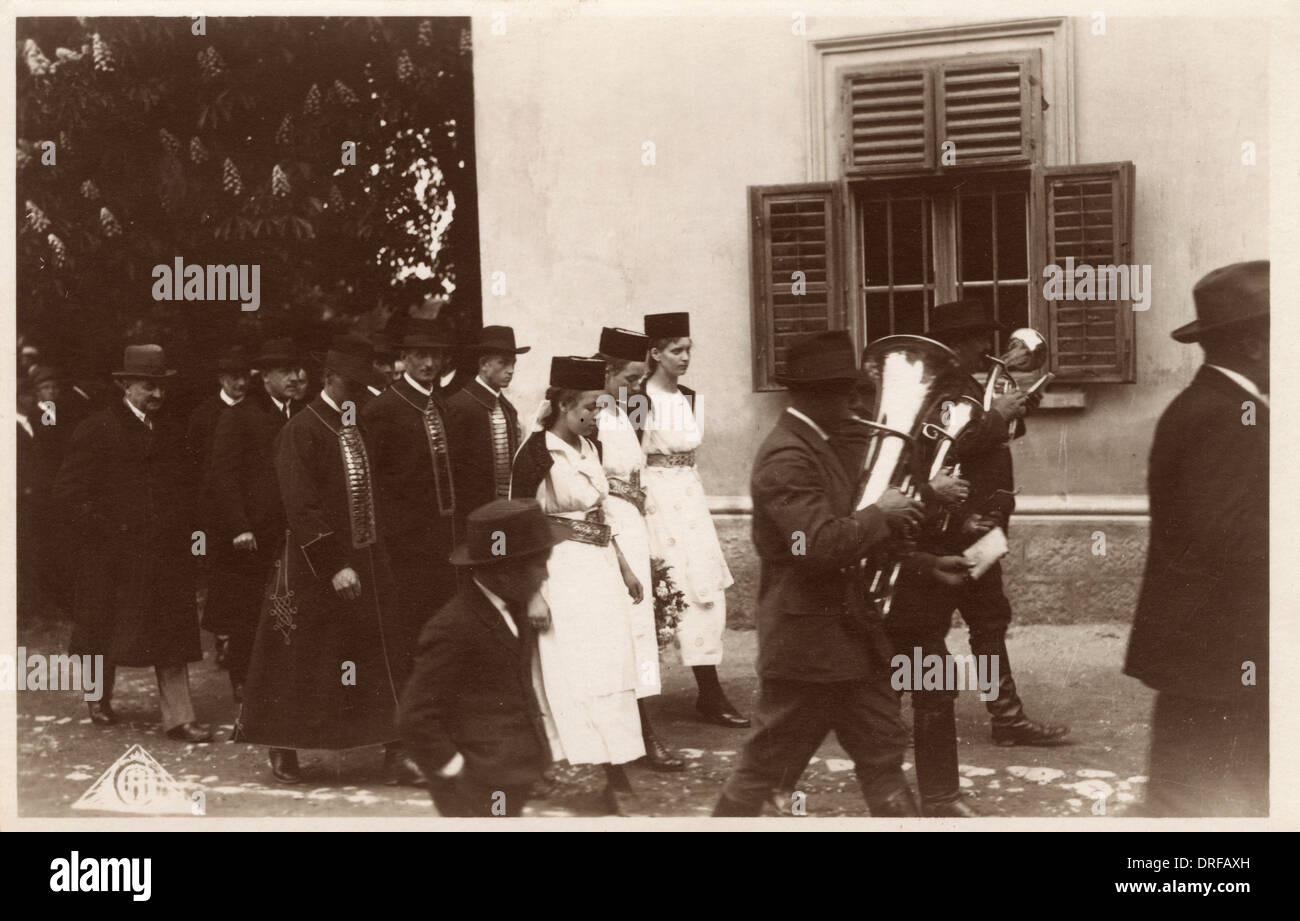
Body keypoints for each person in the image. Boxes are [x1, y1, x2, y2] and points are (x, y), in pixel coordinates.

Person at [714, 331, 927, 816]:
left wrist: (929, 564)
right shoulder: (787, 456)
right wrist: (881, 512)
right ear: (815, 394)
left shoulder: (824, 445)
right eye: (845, 393)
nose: (856, 404)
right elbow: (814, 545)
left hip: (849, 639)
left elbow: (855, 541)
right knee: (762, 771)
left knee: (883, 758)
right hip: (807, 647)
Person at [233, 334, 422, 786]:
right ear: (331, 378)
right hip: (313, 567)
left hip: (369, 558)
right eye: (352, 384)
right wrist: (334, 563)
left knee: (382, 651)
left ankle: (395, 752)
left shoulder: (359, 426)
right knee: (299, 656)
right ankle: (282, 745)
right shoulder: (302, 429)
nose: (359, 393)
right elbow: (301, 504)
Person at [1125, 260, 1268, 817]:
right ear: (1257, 344)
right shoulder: (1229, 415)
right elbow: (1225, 538)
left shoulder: (1223, 407)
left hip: (1215, 653)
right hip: (1217, 654)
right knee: (1191, 800)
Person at [53, 345, 211, 742]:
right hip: (110, 553)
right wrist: (108, 530)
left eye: (162, 387)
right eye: (148, 387)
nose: (157, 395)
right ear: (125, 385)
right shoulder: (97, 428)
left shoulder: (172, 432)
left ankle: (179, 718)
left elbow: (185, 490)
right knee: (100, 625)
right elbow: (69, 494)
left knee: (172, 632)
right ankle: (98, 696)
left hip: (164, 553)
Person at [511, 356, 648, 814]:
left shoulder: (591, 449)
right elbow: (520, 530)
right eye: (591, 406)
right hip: (559, 572)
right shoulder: (534, 455)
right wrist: (532, 592)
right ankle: (595, 773)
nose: (599, 415)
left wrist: (625, 567)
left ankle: (616, 769)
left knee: (611, 667)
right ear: (566, 404)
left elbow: (601, 515)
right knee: (571, 673)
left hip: (600, 571)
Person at [928, 300, 1067, 746]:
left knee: (988, 619)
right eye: (976, 340)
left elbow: (992, 437)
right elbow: (950, 446)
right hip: (950, 526)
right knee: (926, 624)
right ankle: (886, 715)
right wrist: (998, 415)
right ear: (955, 345)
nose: (986, 349)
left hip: (980, 522)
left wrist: (1014, 412)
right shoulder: (941, 389)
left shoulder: (967, 383)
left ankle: (1006, 716)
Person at [399, 499, 567, 817]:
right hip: (474, 787)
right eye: (539, 565)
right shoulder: (454, 626)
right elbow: (415, 715)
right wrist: (454, 769)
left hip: (512, 774)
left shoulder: (514, 607)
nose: (545, 575)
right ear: (505, 571)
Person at [640, 312, 745, 727]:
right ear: (655, 353)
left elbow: (690, 456)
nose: (684, 357)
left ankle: (710, 691)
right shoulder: (637, 399)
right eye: (675, 350)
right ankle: (638, 698)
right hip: (655, 499)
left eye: (688, 350)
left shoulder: (691, 397)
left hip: (689, 496)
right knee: (666, 584)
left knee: (704, 587)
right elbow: (630, 455)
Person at [595, 327, 684, 772]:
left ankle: (643, 732)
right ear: (608, 371)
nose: (635, 388)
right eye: (630, 378)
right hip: (604, 530)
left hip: (634, 523)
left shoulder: (622, 410)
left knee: (641, 630)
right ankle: (630, 734)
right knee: (618, 631)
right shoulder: (587, 414)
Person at [363, 318, 460, 698]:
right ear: (404, 358)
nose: (428, 363)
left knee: (442, 626)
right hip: (404, 543)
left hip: (443, 540)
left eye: (435, 355)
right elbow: (373, 481)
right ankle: (407, 726)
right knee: (409, 630)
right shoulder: (383, 408)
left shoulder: (442, 404)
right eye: (420, 355)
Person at [206, 338, 302, 702]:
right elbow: (223, 476)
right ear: (266, 378)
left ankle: (282, 676)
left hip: (290, 530)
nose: (293, 378)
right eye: (284, 372)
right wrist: (239, 527)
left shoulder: (299, 412)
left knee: (287, 603)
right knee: (247, 610)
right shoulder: (241, 415)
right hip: (253, 534)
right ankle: (243, 680)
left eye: (295, 371)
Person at [446, 326, 527, 540]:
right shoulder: (459, 406)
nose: (511, 370)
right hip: (470, 515)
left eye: (513, 363)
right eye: (503, 362)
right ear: (484, 364)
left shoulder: (508, 409)